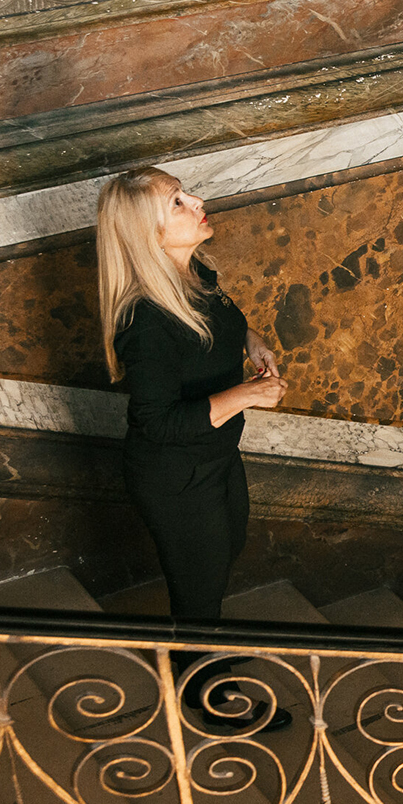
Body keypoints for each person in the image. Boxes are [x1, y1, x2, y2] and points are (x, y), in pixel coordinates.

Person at [98, 166, 286, 625]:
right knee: (199, 593)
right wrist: (246, 394)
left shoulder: (193, 272)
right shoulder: (146, 321)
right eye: (177, 202)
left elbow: (228, 320)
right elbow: (157, 423)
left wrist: (252, 343)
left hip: (218, 454)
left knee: (224, 555)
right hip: (176, 476)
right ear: (150, 234)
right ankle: (203, 689)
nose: (198, 202)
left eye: (186, 194)